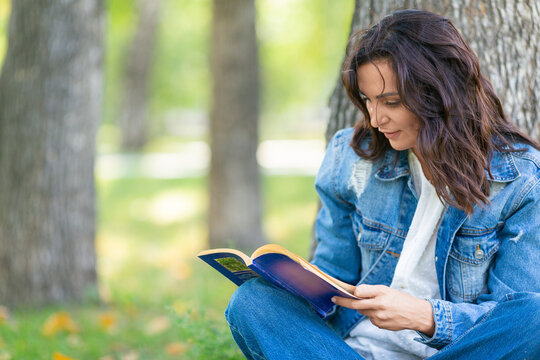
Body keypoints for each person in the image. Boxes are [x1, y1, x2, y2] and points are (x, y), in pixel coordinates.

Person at [225, 9, 540, 360]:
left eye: (390, 102)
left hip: (455, 352)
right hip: (353, 352)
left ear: (440, 93)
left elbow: (508, 317)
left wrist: (425, 317)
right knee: (253, 302)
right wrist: (293, 282)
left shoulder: (520, 179)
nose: (376, 119)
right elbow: (333, 277)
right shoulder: (352, 158)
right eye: (368, 100)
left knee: (535, 317)